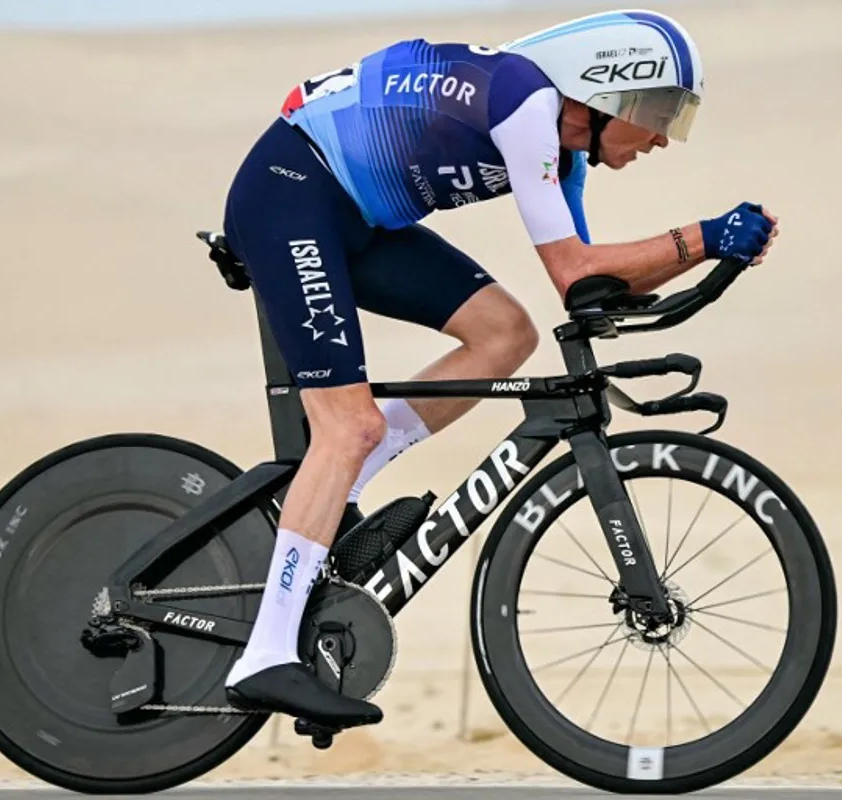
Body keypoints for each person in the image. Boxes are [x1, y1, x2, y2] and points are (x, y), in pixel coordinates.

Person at [219, 8, 779, 728]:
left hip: (353, 219)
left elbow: (581, 285)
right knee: (347, 426)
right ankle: (265, 655)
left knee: (504, 333)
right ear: (609, 93)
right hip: (289, 192)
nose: (665, 136)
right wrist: (702, 235)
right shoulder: (524, 100)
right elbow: (579, 266)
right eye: (662, 111)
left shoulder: (565, 153)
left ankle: (337, 484)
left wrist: (707, 252)